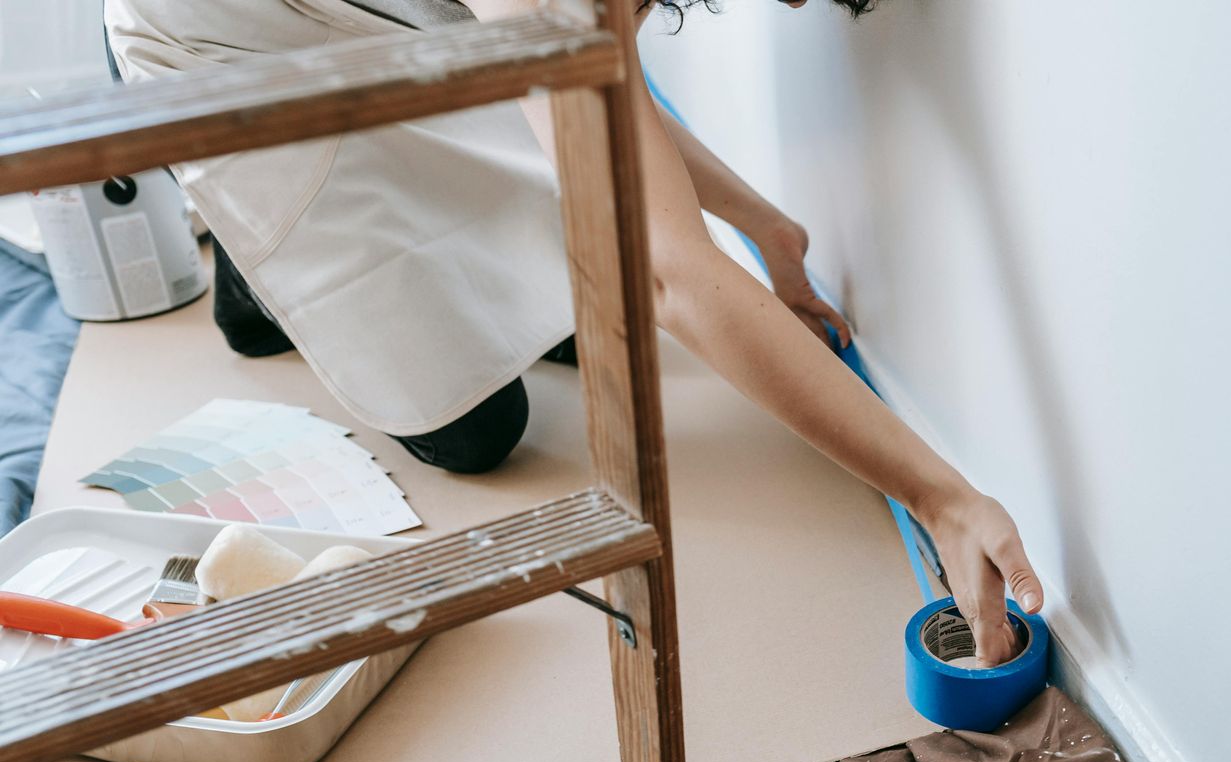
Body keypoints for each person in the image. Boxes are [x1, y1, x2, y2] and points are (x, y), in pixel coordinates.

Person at [105, 0, 1042, 665]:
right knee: (479, 433)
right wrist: (941, 496)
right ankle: (257, 271)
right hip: (218, 38)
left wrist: (766, 226)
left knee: (583, 303)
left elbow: (616, 114)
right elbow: (676, 278)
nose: (802, 8)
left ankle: (288, 240)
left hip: (377, 16)